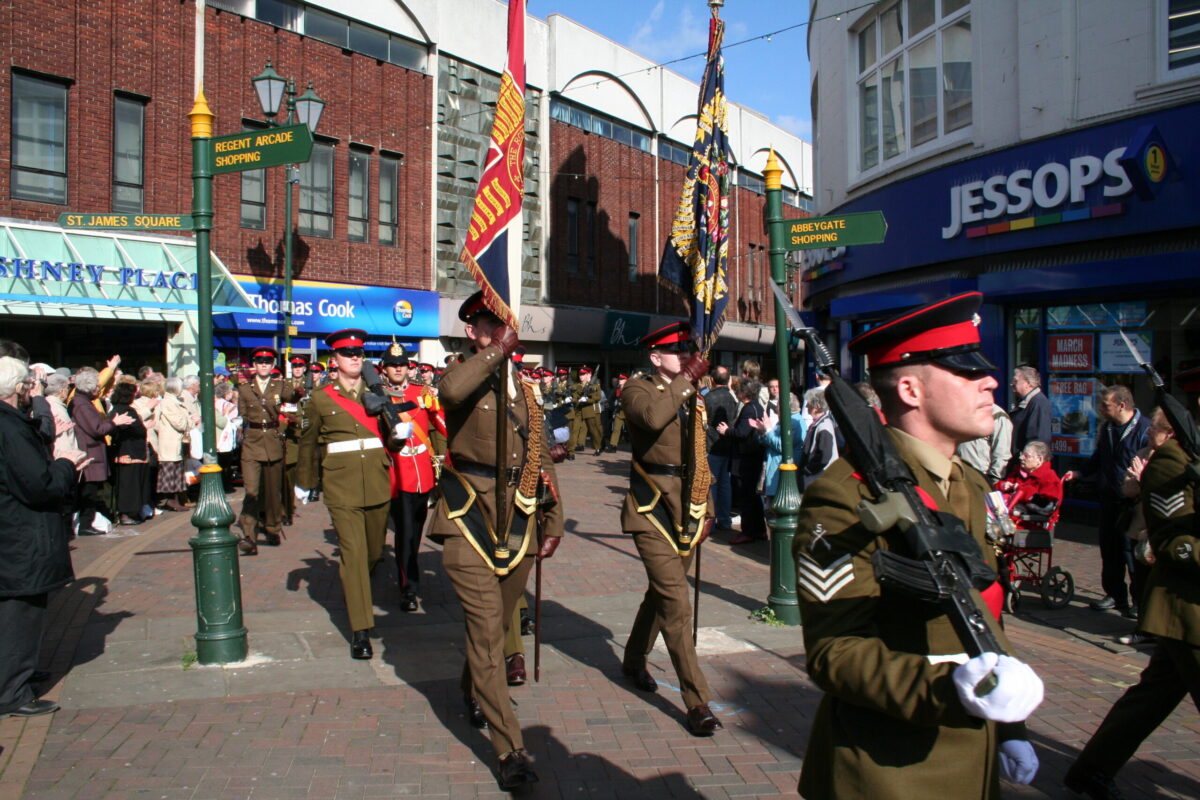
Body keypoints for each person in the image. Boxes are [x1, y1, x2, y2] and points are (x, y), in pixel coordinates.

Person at [794, 291, 1043, 799]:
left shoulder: (968, 483)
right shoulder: (846, 496)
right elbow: (835, 652)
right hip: (891, 771)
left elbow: (981, 612)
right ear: (910, 389)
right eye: (968, 373)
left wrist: (1010, 724)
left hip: (971, 758)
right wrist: (949, 689)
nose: (990, 382)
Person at [427, 292, 563, 791]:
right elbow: (450, 393)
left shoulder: (526, 391)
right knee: (487, 636)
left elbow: (541, 458)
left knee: (495, 627)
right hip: (469, 517)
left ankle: (472, 689)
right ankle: (511, 750)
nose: (501, 331)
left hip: (519, 519)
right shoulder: (466, 372)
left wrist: (555, 520)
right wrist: (494, 352)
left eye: (505, 324)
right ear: (472, 330)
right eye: (489, 324)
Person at [1064, 406, 1196, 800]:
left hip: (1184, 613)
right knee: (1148, 699)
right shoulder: (1172, 465)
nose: (1149, 439)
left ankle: (1091, 770)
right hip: (1186, 607)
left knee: (1148, 701)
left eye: (1154, 431)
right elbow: (1172, 540)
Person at [620, 321, 722, 737]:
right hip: (651, 506)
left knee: (660, 594)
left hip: (689, 504)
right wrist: (685, 380)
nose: (684, 356)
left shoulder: (690, 392)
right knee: (676, 603)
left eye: (686, 350)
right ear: (654, 355)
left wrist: (708, 504)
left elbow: (699, 452)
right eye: (675, 350)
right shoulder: (638, 388)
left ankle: (632, 658)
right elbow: (650, 417)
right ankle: (696, 699)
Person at [0, 356, 90, 719]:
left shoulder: (14, 423)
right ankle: (11, 689)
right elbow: (39, 485)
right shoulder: (9, 427)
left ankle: (15, 674)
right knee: (19, 613)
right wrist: (66, 464)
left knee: (18, 613)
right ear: (18, 388)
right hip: (18, 537)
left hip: (14, 535)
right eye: (27, 387)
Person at [297, 330, 393, 660]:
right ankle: (360, 630)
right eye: (348, 352)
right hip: (342, 485)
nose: (355, 357)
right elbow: (308, 442)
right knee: (353, 555)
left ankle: (357, 591)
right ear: (334, 360)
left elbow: (391, 439)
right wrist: (306, 482)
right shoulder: (321, 398)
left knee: (373, 553)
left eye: (359, 352)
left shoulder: (378, 392)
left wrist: (399, 431)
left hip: (377, 481)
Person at [1063, 384, 1150, 618]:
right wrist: (1081, 473)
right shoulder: (1108, 428)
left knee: (1130, 552)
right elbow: (1099, 457)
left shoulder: (1144, 430)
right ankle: (1115, 594)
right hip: (1108, 498)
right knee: (1109, 549)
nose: (1100, 409)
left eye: (1105, 405)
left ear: (1122, 405)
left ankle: (1138, 601)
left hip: (1132, 503)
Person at [380, 343, 443, 613]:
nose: (398, 368)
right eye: (393, 364)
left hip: (423, 475)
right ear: (384, 368)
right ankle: (409, 587)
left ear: (409, 367)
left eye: (403, 364)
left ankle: (409, 575)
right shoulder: (378, 396)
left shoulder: (423, 393)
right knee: (404, 534)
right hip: (397, 474)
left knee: (415, 533)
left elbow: (443, 425)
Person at [235, 346, 297, 555]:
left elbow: (292, 399)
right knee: (252, 491)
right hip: (252, 443)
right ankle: (249, 535)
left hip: (272, 442)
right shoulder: (244, 388)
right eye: (260, 362)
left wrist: (298, 392)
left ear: (272, 366)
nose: (263, 365)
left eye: (268, 363)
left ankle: (272, 527)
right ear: (254, 365)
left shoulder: (280, 386)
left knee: (272, 492)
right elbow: (243, 414)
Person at [71, 367, 135, 534]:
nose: (99, 391)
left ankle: (87, 523)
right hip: (89, 452)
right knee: (88, 491)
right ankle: (85, 524)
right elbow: (96, 428)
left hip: (91, 451)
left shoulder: (84, 402)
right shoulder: (82, 405)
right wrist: (115, 422)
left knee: (90, 490)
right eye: (97, 388)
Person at [108, 379, 151, 526]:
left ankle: (132, 511)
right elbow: (138, 429)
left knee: (131, 483)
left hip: (128, 451)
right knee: (129, 484)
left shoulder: (117, 409)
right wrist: (143, 426)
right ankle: (126, 514)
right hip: (130, 452)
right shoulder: (125, 410)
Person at [729, 380, 766, 545]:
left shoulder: (748, 409)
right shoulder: (758, 406)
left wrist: (727, 430)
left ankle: (748, 531)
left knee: (746, 495)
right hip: (755, 455)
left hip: (746, 457)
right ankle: (760, 529)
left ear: (744, 393)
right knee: (753, 495)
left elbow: (742, 432)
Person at [997, 441, 1063, 530]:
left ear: (1039, 459)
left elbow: (1047, 508)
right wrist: (1002, 485)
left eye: (1026, 456)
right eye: (1021, 454)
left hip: (1031, 528)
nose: (1021, 458)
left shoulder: (1050, 479)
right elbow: (994, 491)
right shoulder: (1018, 472)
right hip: (1007, 522)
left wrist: (1023, 492)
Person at [705, 366, 739, 532]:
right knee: (725, 484)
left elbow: (704, 421)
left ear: (712, 380)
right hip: (728, 444)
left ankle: (711, 521)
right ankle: (724, 519)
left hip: (712, 445)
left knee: (712, 484)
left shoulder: (708, 398)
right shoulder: (733, 398)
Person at [154, 377, 193, 513]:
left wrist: (189, 420)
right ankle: (171, 500)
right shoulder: (168, 403)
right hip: (169, 442)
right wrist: (189, 419)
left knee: (177, 471)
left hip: (176, 442)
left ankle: (177, 499)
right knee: (170, 471)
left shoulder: (176, 401)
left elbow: (188, 421)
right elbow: (180, 423)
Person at [958, 403, 1013, 485]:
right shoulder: (960, 410)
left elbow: (1002, 453)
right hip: (959, 475)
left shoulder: (997, 415)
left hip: (981, 478)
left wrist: (994, 479)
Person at [799, 387, 839, 489]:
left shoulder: (824, 426)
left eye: (808, 403)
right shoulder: (820, 423)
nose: (806, 406)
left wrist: (808, 469)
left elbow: (825, 456)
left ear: (816, 406)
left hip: (820, 477)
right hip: (816, 476)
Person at [1009, 366, 1051, 462]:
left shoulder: (1038, 403)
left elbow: (1039, 440)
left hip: (1028, 465)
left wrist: (1027, 460)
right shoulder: (1026, 402)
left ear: (1028, 383)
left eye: (1015, 381)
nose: (1011, 384)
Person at [571, 366, 604, 455]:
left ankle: (598, 447)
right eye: (580, 374)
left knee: (593, 430)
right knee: (575, 429)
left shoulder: (594, 385)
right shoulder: (578, 385)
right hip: (579, 410)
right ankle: (571, 450)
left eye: (583, 374)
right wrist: (576, 400)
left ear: (588, 375)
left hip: (589, 409)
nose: (580, 376)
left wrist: (587, 399)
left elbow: (598, 397)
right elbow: (574, 396)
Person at [605, 373, 628, 452]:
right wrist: (608, 402)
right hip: (619, 411)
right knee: (616, 429)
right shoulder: (617, 388)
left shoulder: (629, 388)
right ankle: (613, 445)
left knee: (631, 430)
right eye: (619, 379)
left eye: (622, 379)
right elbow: (611, 397)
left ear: (626, 380)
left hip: (628, 412)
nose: (620, 381)